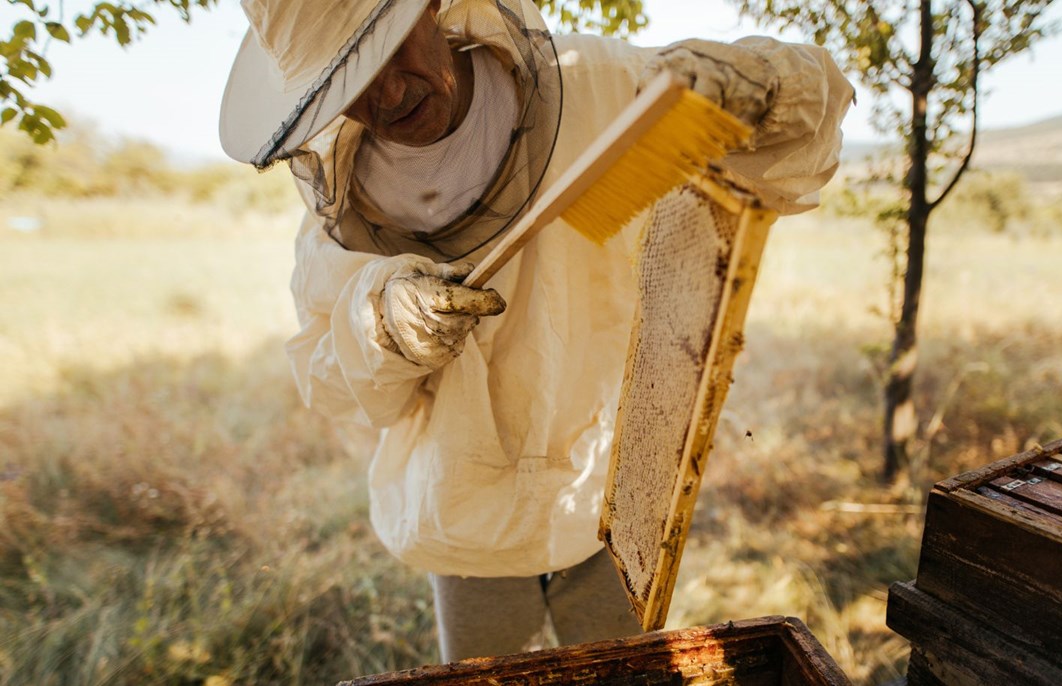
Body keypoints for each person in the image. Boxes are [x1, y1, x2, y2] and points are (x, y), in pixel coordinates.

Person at [220, 0, 853, 664]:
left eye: (387, 51)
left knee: (626, 680)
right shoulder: (339, 211)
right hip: (467, 527)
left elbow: (817, 111)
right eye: (343, 87)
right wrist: (382, 325)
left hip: (610, 503)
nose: (387, 93)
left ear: (431, 6)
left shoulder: (594, 84)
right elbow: (332, 385)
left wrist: (763, 87)